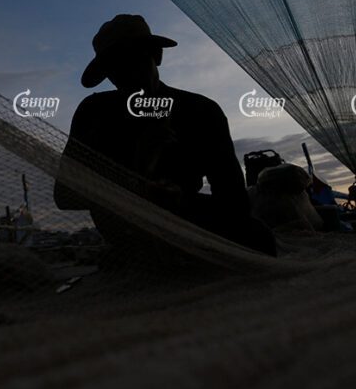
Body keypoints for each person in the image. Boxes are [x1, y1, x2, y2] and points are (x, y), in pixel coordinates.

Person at [54, 14, 276, 256]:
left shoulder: (200, 110)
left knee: (258, 236)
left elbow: (233, 198)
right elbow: (65, 196)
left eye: (134, 60)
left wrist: (180, 200)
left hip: (189, 222)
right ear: (108, 74)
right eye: (115, 68)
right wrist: (137, 178)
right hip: (126, 229)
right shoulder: (94, 112)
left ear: (156, 55)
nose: (127, 75)